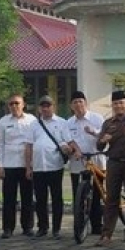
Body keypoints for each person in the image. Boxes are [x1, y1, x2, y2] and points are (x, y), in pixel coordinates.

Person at [26, 95, 72, 238]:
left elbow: (67, 141)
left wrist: (67, 149)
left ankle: (56, 229)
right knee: (40, 199)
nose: (45, 109)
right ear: (39, 108)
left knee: (57, 198)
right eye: (43, 106)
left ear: (53, 107)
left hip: (55, 166)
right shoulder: (33, 124)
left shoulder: (62, 122)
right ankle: (42, 227)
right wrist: (28, 167)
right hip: (38, 166)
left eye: (48, 106)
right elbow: (29, 146)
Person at [95, 90, 125, 247]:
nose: (118, 106)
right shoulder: (108, 123)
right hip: (114, 162)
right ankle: (106, 235)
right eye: (115, 103)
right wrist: (103, 140)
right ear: (112, 105)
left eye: (121, 103)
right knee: (111, 199)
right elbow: (99, 146)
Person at [0, 93, 36, 238]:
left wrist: (32, 165)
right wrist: (0, 165)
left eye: (17, 103)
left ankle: (27, 227)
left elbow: (34, 142)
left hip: (26, 164)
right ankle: (8, 228)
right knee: (9, 198)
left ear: (23, 105)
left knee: (27, 197)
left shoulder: (32, 120)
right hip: (9, 164)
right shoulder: (3, 121)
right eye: (11, 103)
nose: (14, 106)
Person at [65, 91, 104, 237]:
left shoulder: (97, 118)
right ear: (71, 106)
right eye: (75, 102)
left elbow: (104, 135)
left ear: (86, 103)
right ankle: (79, 225)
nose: (78, 104)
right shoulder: (68, 122)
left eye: (80, 101)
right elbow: (66, 139)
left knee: (97, 194)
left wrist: (94, 132)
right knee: (79, 195)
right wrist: (72, 150)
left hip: (96, 160)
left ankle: (97, 225)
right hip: (78, 162)